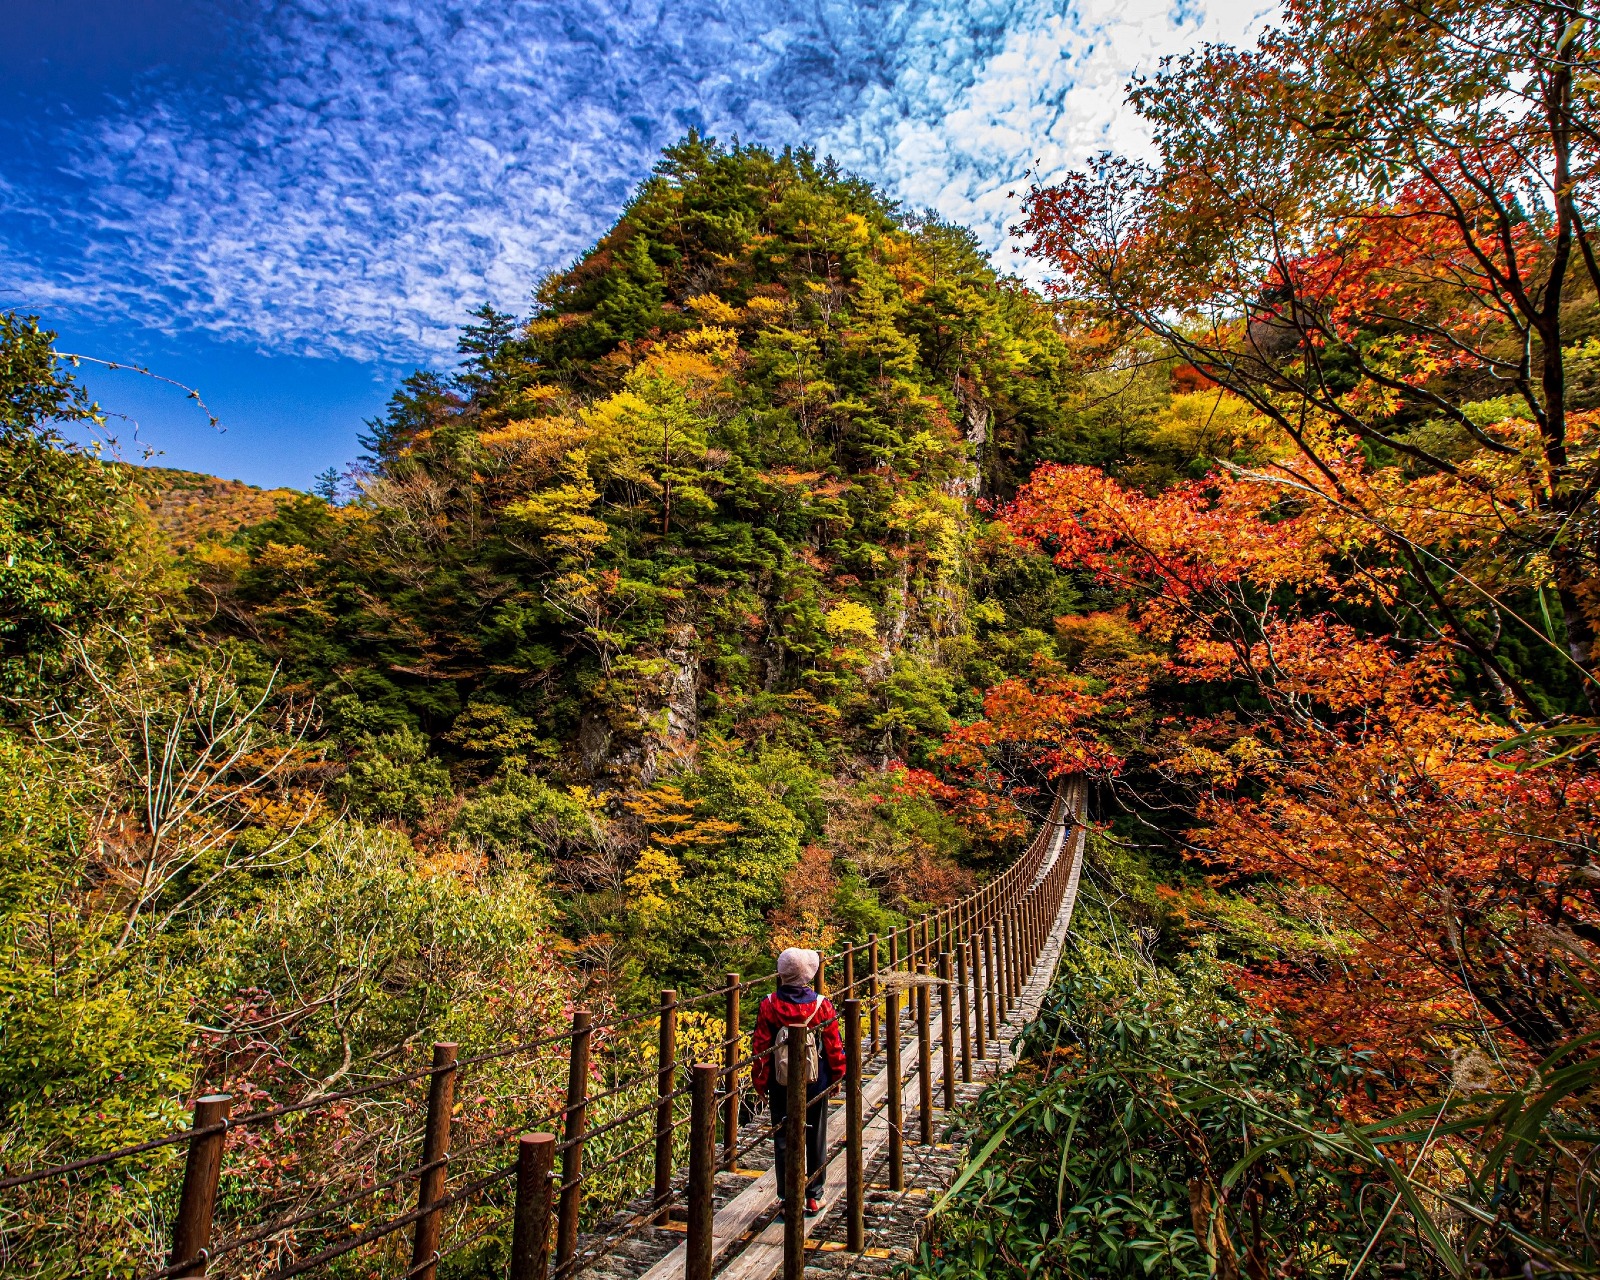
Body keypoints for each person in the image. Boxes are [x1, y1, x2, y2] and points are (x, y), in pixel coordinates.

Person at [750, 947, 847, 1217]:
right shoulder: (821, 1004)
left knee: (783, 1137)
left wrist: (760, 1083)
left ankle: (787, 1198)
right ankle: (814, 1196)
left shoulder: (770, 1004)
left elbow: (761, 1048)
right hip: (815, 1079)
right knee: (815, 1135)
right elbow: (833, 1045)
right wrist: (837, 1075)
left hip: (781, 1082)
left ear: (782, 974)